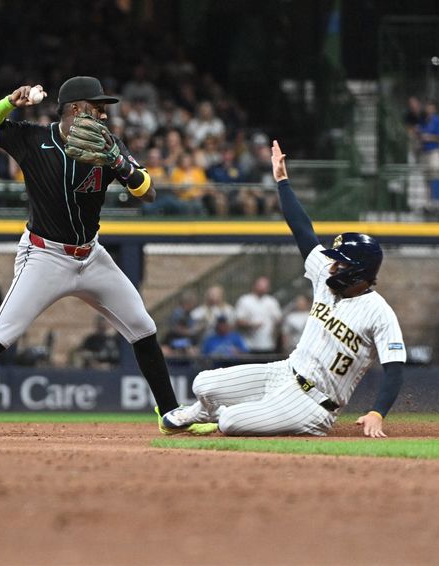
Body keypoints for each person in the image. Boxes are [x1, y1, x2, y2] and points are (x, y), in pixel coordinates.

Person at [0, 76, 196, 435]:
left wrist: (120, 163)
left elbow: (146, 192)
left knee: (144, 329)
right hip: (45, 256)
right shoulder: (32, 138)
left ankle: (169, 414)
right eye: (96, 107)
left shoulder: (108, 146)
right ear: (74, 109)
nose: (103, 115)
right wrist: (9, 103)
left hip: (91, 256)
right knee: (0, 335)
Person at [161, 141, 407, 438]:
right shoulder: (324, 276)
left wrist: (377, 412)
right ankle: (207, 409)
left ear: (360, 272)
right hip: (283, 372)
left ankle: (226, 412)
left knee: (230, 422)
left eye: (340, 263)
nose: (332, 266)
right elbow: (303, 230)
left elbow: (395, 370)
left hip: (313, 404)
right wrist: (282, 181)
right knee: (202, 383)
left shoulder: (379, 313)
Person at [234, 275, 282, 354]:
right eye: (260, 285)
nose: (263, 288)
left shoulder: (271, 301)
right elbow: (238, 320)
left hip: (268, 345)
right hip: (249, 345)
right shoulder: (245, 300)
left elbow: (278, 319)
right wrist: (251, 325)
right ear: (254, 286)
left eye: (265, 286)